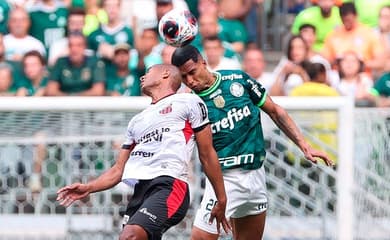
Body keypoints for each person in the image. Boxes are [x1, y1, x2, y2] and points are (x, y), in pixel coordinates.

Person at [171, 45, 333, 240]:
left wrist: (304, 145)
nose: (190, 81)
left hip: (256, 176)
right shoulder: (191, 103)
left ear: (203, 63)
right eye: (184, 77)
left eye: (192, 73)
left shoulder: (238, 80)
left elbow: (275, 111)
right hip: (224, 180)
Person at [57, 63, 230, 239]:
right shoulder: (136, 121)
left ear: (165, 73)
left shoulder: (188, 102)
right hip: (141, 191)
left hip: (170, 185)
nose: (142, 77)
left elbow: (207, 154)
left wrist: (221, 198)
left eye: (148, 72)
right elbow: (118, 170)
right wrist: (89, 187)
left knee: (130, 236)